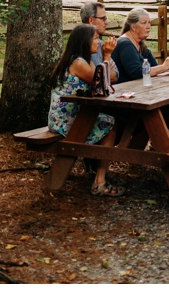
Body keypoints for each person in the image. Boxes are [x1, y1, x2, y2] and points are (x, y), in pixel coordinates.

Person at [49, 23, 124, 196]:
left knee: (109, 120)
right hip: (65, 119)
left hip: (71, 114)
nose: (99, 42)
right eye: (96, 38)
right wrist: (107, 55)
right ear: (84, 41)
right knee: (109, 124)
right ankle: (100, 181)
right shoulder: (79, 63)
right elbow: (102, 82)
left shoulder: (82, 60)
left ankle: (98, 170)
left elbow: (109, 78)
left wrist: (104, 64)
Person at [113, 7, 169, 83]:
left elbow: (154, 67)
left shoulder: (140, 45)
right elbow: (137, 73)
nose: (148, 26)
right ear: (133, 27)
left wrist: (166, 68)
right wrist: (164, 66)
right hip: (123, 91)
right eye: (144, 23)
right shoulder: (125, 43)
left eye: (149, 22)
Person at [80, 0, 119, 80]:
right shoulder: (80, 46)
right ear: (91, 20)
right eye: (103, 19)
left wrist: (102, 72)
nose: (106, 23)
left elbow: (115, 76)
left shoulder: (100, 43)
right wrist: (106, 56)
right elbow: (100, 80)